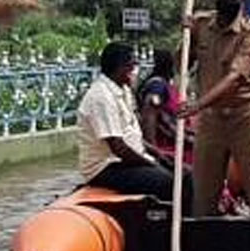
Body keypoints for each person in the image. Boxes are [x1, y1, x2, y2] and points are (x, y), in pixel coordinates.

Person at [178, 0, 250, 216]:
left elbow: (234, 79)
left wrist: (197, 105)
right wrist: (185, 38)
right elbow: (180, 63)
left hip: (245, 118)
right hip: (211, 120)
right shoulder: (201, 24)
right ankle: (204, 245)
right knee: (203, 193)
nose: (226, 3)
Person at [77, 42, 191, 210]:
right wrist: (150, 163)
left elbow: (131, 134)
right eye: (132, 64)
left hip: (127, 160)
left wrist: (158, 154)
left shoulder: (123, 91)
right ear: (120, 67)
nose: (135, 69)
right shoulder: (101, 98)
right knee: (169, 182)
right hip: (107, 167)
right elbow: (118, 148)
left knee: (186, 173)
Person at [137, 49, 192, 166]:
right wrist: (154, 150)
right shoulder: (157, 87)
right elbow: (150, 116)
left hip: (176, 139)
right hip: (167, 145)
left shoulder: (164, 85)